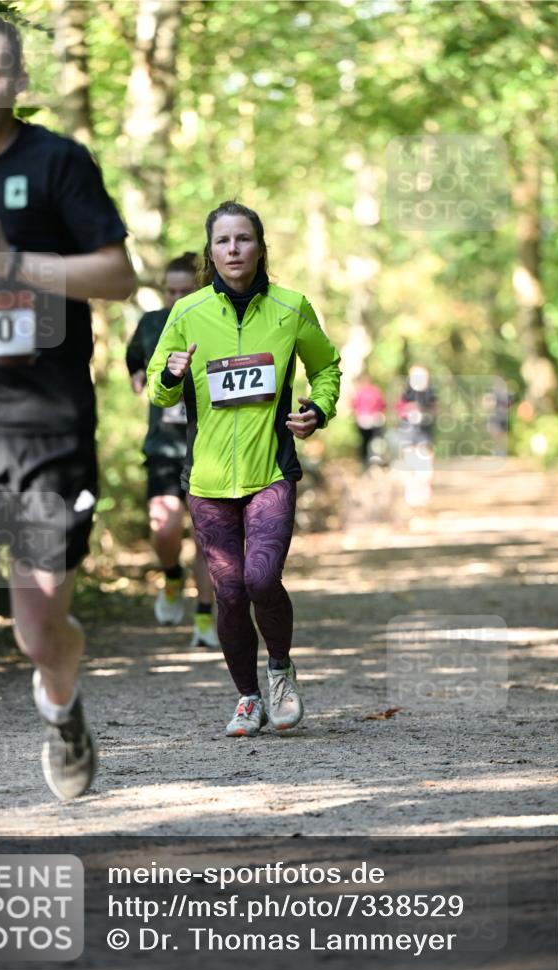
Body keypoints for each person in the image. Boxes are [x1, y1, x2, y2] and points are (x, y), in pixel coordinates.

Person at [0, 12, 135, 882]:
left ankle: (62, 703)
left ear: (17, 80)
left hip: (45, 436)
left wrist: (18, 265)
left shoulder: (56, 164)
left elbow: (118, 276)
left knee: (43, 624)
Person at [146, 201, 341, 737]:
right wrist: (170, 371)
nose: (233, 249)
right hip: (207, 481)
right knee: (228, 591)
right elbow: (160, 389)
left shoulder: (290, 308)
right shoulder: (187, 313)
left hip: (270, 472)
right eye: (223, 241)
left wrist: (317, 411)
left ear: (260, 246)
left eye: (243, 239)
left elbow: (326, 366)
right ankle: (247, 698)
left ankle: (279, 669)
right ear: (211, 252)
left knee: (260, 577)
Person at [126, 253, 218, 647]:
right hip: (163, 446)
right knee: (163, 527)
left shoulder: (213, 320)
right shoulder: (151, 323)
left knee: (205, 538)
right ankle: (172, 576)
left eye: (186, 290)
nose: (176, 297)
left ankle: (203, 617)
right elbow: (133, 356)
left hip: (208, 447)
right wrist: (134, 373)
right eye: (171, 290)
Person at [396, 364, 437, 507]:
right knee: (410, 464)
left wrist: (425, 413)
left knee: (424, 466)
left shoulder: (430, 392)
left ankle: (424, 495)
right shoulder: (406, 392)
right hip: (409, 433)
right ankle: (412, 495)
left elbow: (435, 410)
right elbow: (399, 409)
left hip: (424, 434)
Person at [351, 373, 387, 468]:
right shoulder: (375, 391)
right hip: (371, 420)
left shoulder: (360, 392)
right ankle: (372, 462)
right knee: (374, 441)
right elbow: (383, 405)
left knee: (367, 442)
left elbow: (354, 405)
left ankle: (367, 462)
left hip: (366, 420)